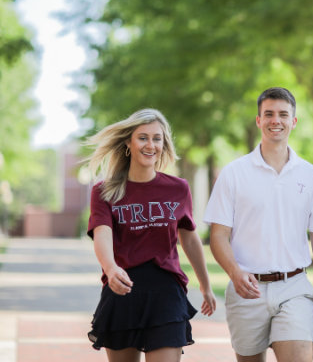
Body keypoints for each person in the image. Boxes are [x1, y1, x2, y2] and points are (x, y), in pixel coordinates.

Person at [204, 87, 313, 362]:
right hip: (246, 289)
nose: (277, 120)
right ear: (258, 120)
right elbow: (218, 236)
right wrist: (236, 273)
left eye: (283, 114)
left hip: (294, 286)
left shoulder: (311, 176)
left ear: (293, 121)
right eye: (269, 114)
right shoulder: (234, 174)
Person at [85, 108, 217, 362]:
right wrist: (111, 268)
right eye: (142, 137)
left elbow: (189, 238)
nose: (151, 145)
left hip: (166, 294)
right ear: (128, 143)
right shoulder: (104, 191)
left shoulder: (178, 188)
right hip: (123, 291)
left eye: (157, 138)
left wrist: (206, 285)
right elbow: (102, 234)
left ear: (164, 144)